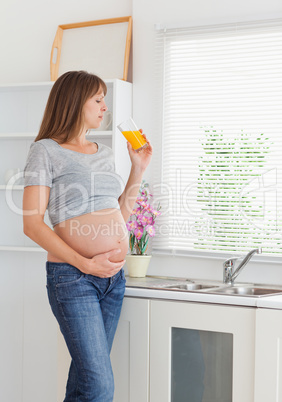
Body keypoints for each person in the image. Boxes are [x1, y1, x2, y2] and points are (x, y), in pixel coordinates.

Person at [22, 70, 152, 402]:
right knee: (99, 386)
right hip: (74, 278)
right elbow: (32, 224)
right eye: (97, 99)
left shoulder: (105, 152)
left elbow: (120, 214)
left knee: (85, 382)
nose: (104, 107)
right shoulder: (46, 151)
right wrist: (85, 263)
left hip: (112, 279)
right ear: (75, 101)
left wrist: (138, 167)